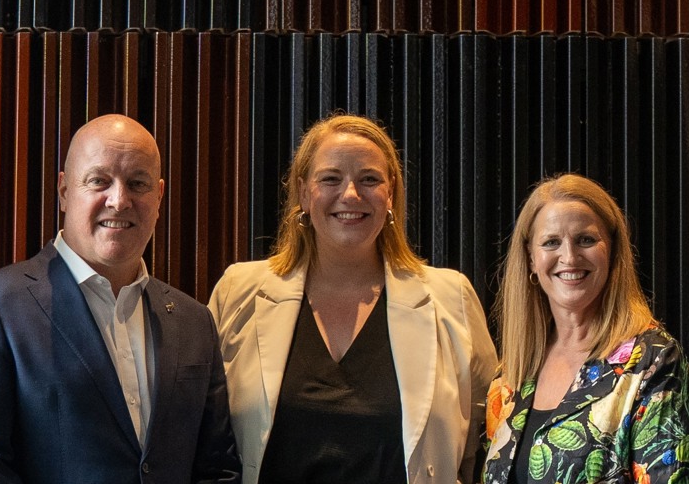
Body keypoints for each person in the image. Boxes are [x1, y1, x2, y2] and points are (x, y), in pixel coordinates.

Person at [0, 114, 240, 483]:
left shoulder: (195, 322)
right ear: (64, 191)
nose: (119, 200)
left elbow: (218, 469)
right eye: (99, 181)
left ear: (159, 196)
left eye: (137, 183)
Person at [208, 114, 497, 483]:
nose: (350, 194)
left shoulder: (450, 298)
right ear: (302, 193)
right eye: (330, 178)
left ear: (390, 192)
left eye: (369, 179)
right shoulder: (238, 291)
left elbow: (486, 446)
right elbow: (207, 444)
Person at [482, 174, 689, 484]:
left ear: (612, 252)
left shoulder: (653, 362)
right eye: (551, 242)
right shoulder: (510, 375)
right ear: (531, 259)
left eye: (586, 239)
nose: (569, 257)